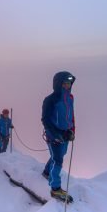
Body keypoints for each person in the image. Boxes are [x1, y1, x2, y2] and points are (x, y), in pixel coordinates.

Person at [41, 71, 76, 202]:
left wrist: (72, 130)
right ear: (58, 84)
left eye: (69, 83)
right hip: (54, 136)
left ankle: (46, 172)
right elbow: (45, 120)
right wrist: (55, 135)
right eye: (65, 83)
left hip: (66, 135)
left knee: (59, 156)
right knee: (58, 161)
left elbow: (71, 116)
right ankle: (55, 189)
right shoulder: (50, 99)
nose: (67, 85)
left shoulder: (70, 98)